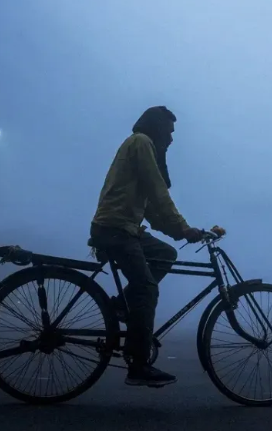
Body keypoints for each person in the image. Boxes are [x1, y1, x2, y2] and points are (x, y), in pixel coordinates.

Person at [89, 105, 209, 388]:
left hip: (126, 228)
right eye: (168, 132)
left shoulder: (143, 146)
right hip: (115, 230)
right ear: (156, 127)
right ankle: (138, 363)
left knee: (166, 254)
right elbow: (158, 190)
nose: (171, 139)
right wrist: (182, 225)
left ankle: (120, 306)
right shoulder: (141, 142)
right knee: (146, 288)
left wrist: (181, 232)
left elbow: (153, 211)